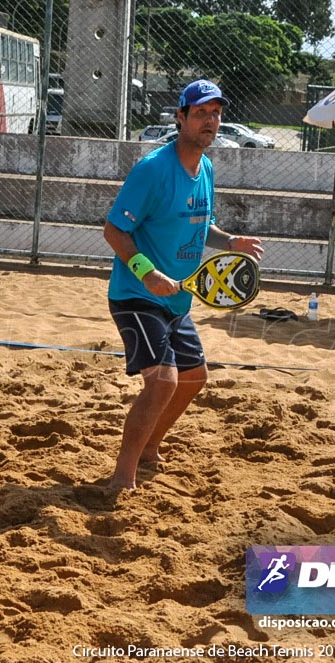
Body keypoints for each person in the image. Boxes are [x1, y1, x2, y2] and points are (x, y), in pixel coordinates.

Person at [103, 79, 264, 490]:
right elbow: (114, 230)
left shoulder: (205, 167)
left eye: (216, 113)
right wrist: (148, 272)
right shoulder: (153, 169)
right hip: (138, 295)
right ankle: (122, 476)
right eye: (200, 113)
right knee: (163, 380)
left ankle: (150, 448)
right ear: (180, 117)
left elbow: (198, 221)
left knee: (194, 378)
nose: (210, 121)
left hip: (179, 296)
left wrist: (229, 241)